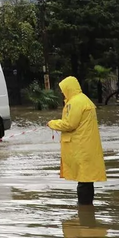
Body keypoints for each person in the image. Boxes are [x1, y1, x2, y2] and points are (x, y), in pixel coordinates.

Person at [47, 75, 106, 205]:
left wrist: (52, 123)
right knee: (87, 179)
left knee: (83, 180)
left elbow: (69, 124)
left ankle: (84, 210)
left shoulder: (74, 103)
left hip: (81, 147)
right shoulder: (84, 100)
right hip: (87, 146)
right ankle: (87, 210)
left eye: (63, 89)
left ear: (69, 88)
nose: (62, 92)